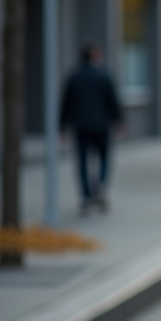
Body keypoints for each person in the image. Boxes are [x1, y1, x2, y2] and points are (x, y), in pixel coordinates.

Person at [59, 41, 123, 213]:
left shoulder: (73, 77)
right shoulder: (104, 76)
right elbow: (113, 101)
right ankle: (100, 189)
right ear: (94, 56)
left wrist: (62, 126)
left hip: (80, 126)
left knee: (82, 162)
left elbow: (65, 103)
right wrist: (119, 121)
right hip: (101, 125)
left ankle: (86, 197)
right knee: (103, 159)